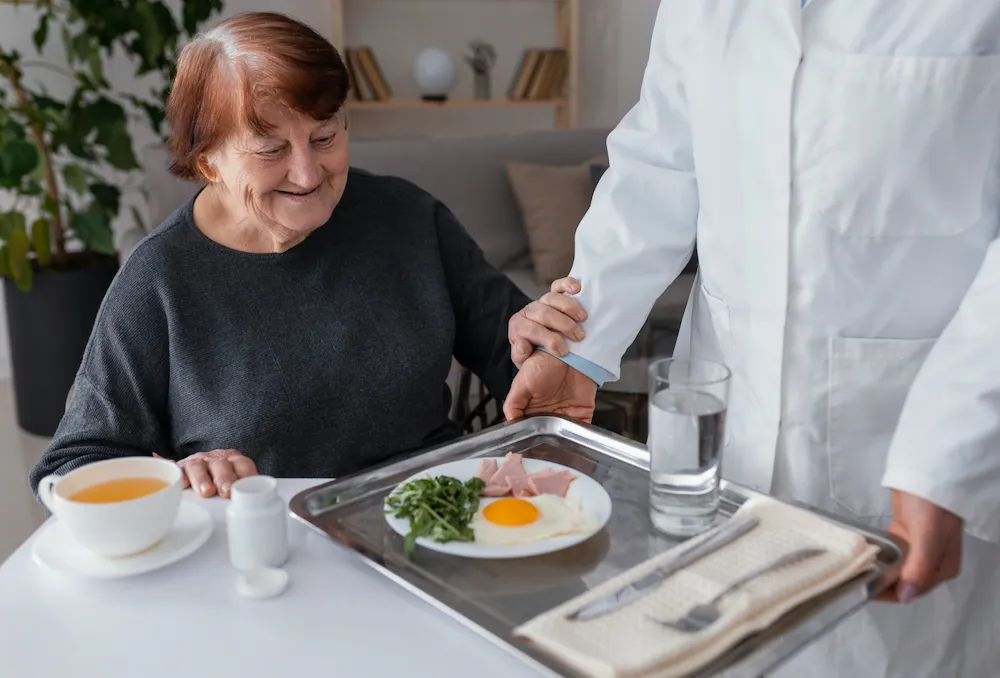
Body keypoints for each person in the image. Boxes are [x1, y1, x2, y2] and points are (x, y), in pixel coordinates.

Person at [503, 2, 1000, 677]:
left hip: (910, 447)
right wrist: (581, 346)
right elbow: (660, 162)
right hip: (719, 443)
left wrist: (944, 462)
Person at [27, 11, 576, 500]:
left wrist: (546, 347)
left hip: (431, 518)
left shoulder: (409, 218)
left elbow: (519, 356)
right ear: (207, 160)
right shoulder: (160, 279)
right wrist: (182, 476)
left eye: (325, 136)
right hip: (266, 549)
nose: (308, 174)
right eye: (270, 149)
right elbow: (71, 465)